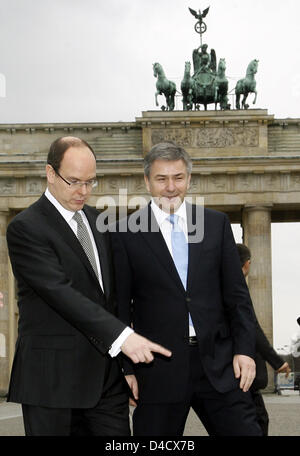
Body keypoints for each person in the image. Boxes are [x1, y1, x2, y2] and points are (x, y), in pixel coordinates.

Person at [6, 136, 171, 436]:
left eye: (91, 182)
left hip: (106, 383)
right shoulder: (25, 228)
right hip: (51, 384)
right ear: (50, 174)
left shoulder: (101, 222)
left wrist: (126, 366)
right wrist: (125, 339)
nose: (84, 191)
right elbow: (60, 292)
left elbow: (115, 298)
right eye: (74, 181)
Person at [110, 141, 262, 436]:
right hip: (157, 369)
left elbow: (237, 297)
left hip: (219, 366)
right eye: (161, 178)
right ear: (146, 181)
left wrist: (245, 350)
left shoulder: (215, 224)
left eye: (178, 178)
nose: (170, 187)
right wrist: (125, 369)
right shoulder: (124, 232)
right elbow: (118, 309)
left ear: (189, 179)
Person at [236, 243, 291, 436]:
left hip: (224, 366)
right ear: (247, 264)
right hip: (242, 369)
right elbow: (253, 329)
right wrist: (277, 362)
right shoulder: (237, 287)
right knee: (258, 420)